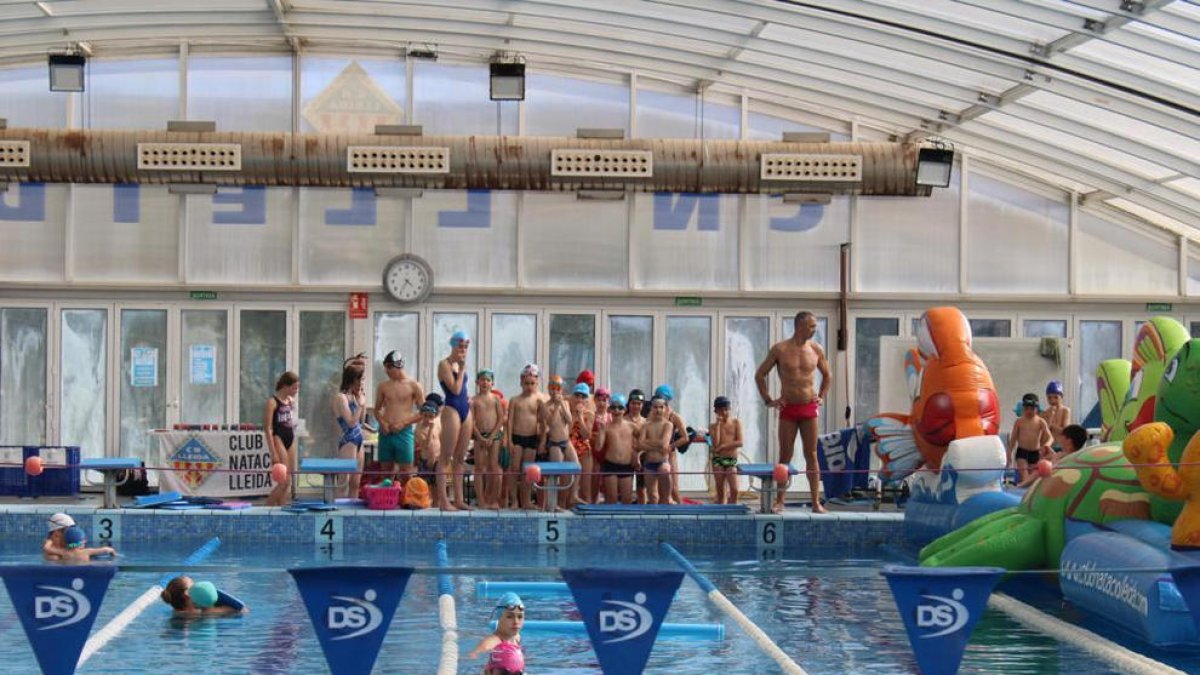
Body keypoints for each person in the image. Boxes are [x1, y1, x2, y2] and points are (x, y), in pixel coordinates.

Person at [755, 311, 832, 514]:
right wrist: (768, 400)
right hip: (788, 408)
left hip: (809, 407)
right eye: (811, 326)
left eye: (815, 326)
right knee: (785, 456)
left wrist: (821, 395)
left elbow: (827, 375)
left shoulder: (816, 349)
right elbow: (760, 375)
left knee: (812, 454)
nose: (815, 330)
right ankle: (780, 501)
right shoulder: (780, 349)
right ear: (799, 326)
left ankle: (816, 502)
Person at [374, 351, 425, 488]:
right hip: (386, 432)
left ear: (398, 366)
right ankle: (387, 502)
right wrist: (383, 423)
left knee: (406, 473)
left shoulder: (414, 386)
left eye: (389, 368)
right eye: (386, 368)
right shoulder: (383, 386)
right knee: (386, 473)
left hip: (404, 432)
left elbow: (424, 412)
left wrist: (404, 423)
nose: (387, 372)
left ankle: (406, 502)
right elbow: (376, 410)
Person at [438, 331, 474, 511]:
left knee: (460, 458)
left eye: (466, 346)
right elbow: (455, 388)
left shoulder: (461, 365)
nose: (463, 349)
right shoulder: (444, 364)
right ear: (452, 345)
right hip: (451, 409)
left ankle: (459, 499)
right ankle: (444, 501)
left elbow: (464, 391)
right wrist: (461, 370)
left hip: (465, 410)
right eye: (460, 346)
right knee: (446, 457)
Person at [507, 364, 548, 510]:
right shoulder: (515, 400)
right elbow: (509, 422)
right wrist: (509, 441)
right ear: (521, 382)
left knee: (527, 471)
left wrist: (543, 441)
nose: (529, 386)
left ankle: (526, 501)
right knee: (514, 470)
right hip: (517, 438)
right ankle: (514, 501)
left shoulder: (540, 399)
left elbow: (544, 423)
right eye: (526, 383)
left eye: (532, 383)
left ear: (537, 383)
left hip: (531, 439)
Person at [538, 375, 575, 510]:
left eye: (557, 388)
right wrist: (557, 406)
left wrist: (562, 406)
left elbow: (570, 420)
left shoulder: (565, 403)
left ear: (562, 389)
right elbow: (551, 424)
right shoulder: (545, 406)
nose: (554, 391)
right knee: (556, 474)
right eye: (552, 388)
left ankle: (568, 499)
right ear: (548, 389)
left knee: (576, 467)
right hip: (554, 444)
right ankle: (551, 504)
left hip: (567, 442)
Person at [264, 371, 299, 506]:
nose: (296, 391)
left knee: (288, 482)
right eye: (294, 388)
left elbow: (293, 422)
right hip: (278, 438)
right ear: (285, 386)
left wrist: (293, 406)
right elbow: (268, 428)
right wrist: (273, 453)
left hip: (290, 438)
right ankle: (266, 508)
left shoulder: (290, 401)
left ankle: (281, 510)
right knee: (284, 481)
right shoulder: (272, 402)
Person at [471, 370, 505, 510]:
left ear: (492, 383)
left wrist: (491, 436)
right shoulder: (474, 400)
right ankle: (481, 500)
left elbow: (500, 419)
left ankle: (493, 499)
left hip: (494, 436)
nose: (485, 382)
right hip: (480, 436)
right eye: (482, 379)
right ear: (477, 382)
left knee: (494, 467)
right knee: (479, 468)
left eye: (488, 380)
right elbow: (471, 422)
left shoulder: (496, 399)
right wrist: (479, 437)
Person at [469, 592, 526, 675]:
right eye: (510, 616)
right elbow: (472, 658)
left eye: (520, 617)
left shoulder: (517, 638)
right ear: (499, 617)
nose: (516, 622)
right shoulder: (491, 643)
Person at [652, 384, 691, 505]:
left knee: (673, 489)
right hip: (654, 455)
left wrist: (671, 446)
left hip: (670, 455)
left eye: (663, 398)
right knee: (656, 492)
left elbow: (686, 437)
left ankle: (683, 516)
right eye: (658, 397)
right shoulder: (653, 413)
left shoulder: (674, 416)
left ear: (668, 400)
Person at [333, 363, 367, 499]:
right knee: (344, 482)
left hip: (359, 440)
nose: (361, 383)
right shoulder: (340, 398)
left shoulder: (355, 397)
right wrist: (360, 404)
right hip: (348, 441)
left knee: (355, 483)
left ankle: (352, 514)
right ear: (352, 380)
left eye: (363, 380)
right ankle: (337, 512)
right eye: (359, 379)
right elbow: (351, 422)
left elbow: (362, 421)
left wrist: (360, 401)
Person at [596, 394, 637, 504]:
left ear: (625, 409)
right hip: (610, 465)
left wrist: (637, 455)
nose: (617, 410)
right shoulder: (606, 427)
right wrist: (600, 430)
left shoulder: (632, 427)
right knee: (611, 499)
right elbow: (598, 447)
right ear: (610, 410)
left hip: (627, 466)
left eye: (620, 408)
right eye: (614, 407)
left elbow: (642, 443)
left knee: (627, 500)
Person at [1018, 423, 1088, 488]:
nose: (1060, 439)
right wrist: (1052, 455)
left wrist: (1049, 460)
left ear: (1068, 441)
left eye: (1062, 437)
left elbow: (1053, 465)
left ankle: (1022, 484)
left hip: (1058, 486)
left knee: (1043, 466)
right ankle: (1023, 484)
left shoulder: (1066, 457)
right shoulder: (1077, 455)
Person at [1008, 393, 1054, 485]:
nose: (1029, 411)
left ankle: (1025, 494)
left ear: (1037, 409)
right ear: (1023, 408)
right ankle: (1022, 490)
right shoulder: (1019, 422)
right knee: (1025, 477)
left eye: (1032, 409)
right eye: (1026, 409)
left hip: (1035, 453)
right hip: (1022, 453)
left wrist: (1046, 445)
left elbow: (1050, 437)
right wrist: (1009, 453)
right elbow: (1013, 439)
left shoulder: (1040, 422)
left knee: (1031, 481)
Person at [639, 396, 674, 505]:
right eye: (655, 407)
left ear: (665, 409)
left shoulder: (668, 425)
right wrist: (658, 445)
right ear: (651, 409)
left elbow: (664, 443)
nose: (658, 410)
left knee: (665, 498)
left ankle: (666, 520)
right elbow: (640, 444)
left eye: (661, 407)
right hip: (649, 463)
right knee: (653, 497)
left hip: (662, 461)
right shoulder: (646, 425)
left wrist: (648, 442)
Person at [709, 396, 743, 505]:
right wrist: (718, 425)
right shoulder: (713, 426)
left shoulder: (736, 423)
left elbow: (740, 442)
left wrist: (724, 446)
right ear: (716, 411)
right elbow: (716, 443)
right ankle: (721, 515)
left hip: (731, 459)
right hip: (718, 460)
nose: (724, 412)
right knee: (720, 491)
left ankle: (733, 511)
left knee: (735, 490)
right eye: (721, 410)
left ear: (729, 409)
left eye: (726, 409)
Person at [160, 576, 247, 617]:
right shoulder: (206, 612)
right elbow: (242, 610)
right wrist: (218, 595)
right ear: (187, 595)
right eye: (194, 586)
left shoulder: (176, 612)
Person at [570, 383, 596, 503]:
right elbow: (566, 433)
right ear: (572, 397)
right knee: (568, 486)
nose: (580, 399)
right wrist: (573, 416)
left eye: (583, 396)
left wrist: (580, 417)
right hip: (569, 449)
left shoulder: (589, 414)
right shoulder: (566, 412)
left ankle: (588, 519)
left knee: (586, 487)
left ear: (587, 400)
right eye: (577, 395)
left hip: (584, 450)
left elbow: (586, 435)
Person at [589, 387, 612, 503]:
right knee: (594, 480)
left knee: (607, 483)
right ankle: (593, 503)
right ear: (595, 401)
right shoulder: (591, 416)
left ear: (608, 402)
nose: (602, 403)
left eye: (604, 400)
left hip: (607, 453)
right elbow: (587, 435)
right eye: (599, 400)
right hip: (593, 453)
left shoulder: (611, 418)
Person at [626, 390, 649, 504]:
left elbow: (648, 443)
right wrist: (632, 454)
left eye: (638, 404)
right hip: (626, 458)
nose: (636, 406)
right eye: (633, 403)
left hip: (642, 458)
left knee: (642, 490)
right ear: (629, 403)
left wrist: (638, 455)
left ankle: (643, 517)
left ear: (642, 405)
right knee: (626, 491)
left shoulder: (646, 422)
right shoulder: (623, 420)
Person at [415, 397, 443, 488]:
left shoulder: (437, 423)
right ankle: (425, 502)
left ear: (435, 416)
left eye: (431, 416)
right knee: (424, 486)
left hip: (438, 459)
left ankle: (437, 502)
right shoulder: (419, 429)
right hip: (426, 460)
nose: (428, 419)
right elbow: (426, 445)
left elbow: (441, 440)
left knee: (437, 486)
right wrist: (430, 429)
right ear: (421, 415)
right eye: (425, 415)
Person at [1041, 380, 1072, 451]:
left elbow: (1066, 431)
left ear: (1061, 396)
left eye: (1056, 397)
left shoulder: (1065, 411)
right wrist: (1050, 417)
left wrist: (1052, 425)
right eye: (1049, 398)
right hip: (1050, 446)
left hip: (1062, 446)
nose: (1052, 401)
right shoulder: (1046, 412)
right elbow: (1045, 432)